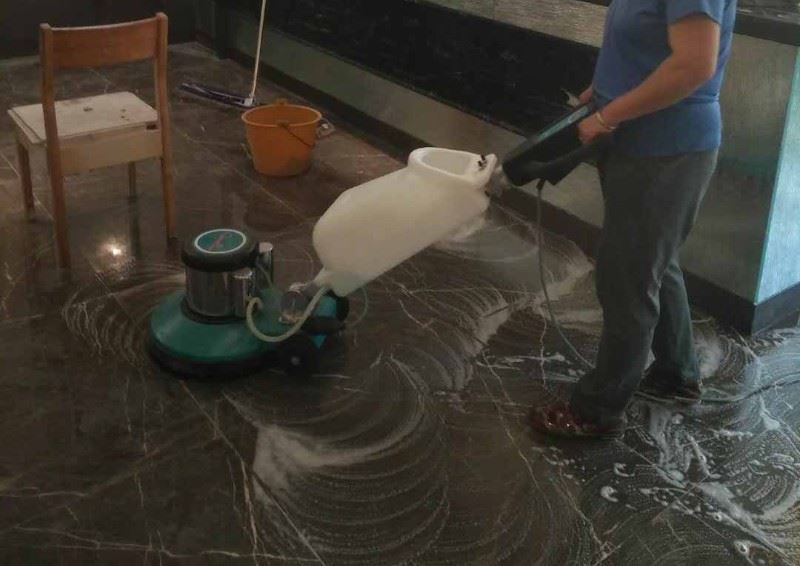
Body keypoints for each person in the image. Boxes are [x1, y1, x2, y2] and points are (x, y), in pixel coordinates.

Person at [530, 0, 738, 438]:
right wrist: (600, 91)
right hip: (637, 139)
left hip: (665, 148)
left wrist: (609, 114)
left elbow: (693, 64)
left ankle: (597, 410)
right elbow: (643, 44)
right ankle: (677, 374)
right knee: (653, 263)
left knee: (627, 278)